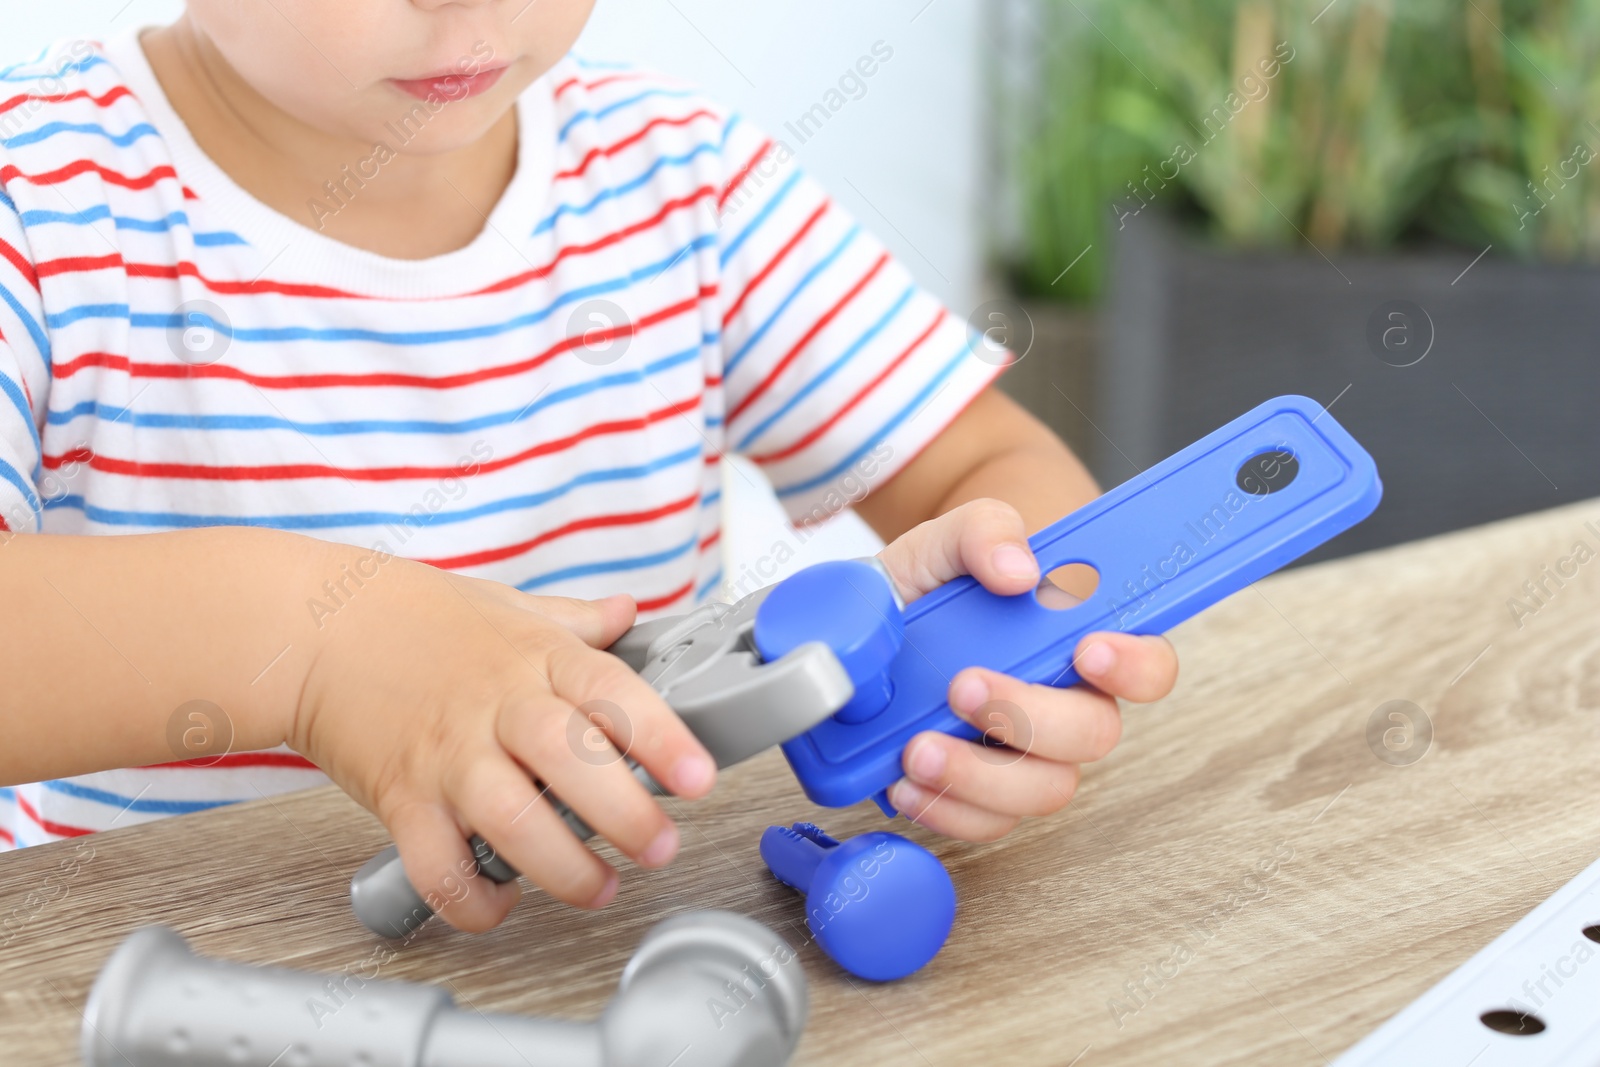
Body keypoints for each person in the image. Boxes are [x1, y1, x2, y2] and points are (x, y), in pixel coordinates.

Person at [0, 0, 1177, 931]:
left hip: (613, 944)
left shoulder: (684, 185)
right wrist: (317, 652)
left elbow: (985, 460)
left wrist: (983, 668)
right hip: (134, 968)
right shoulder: (40, 192)